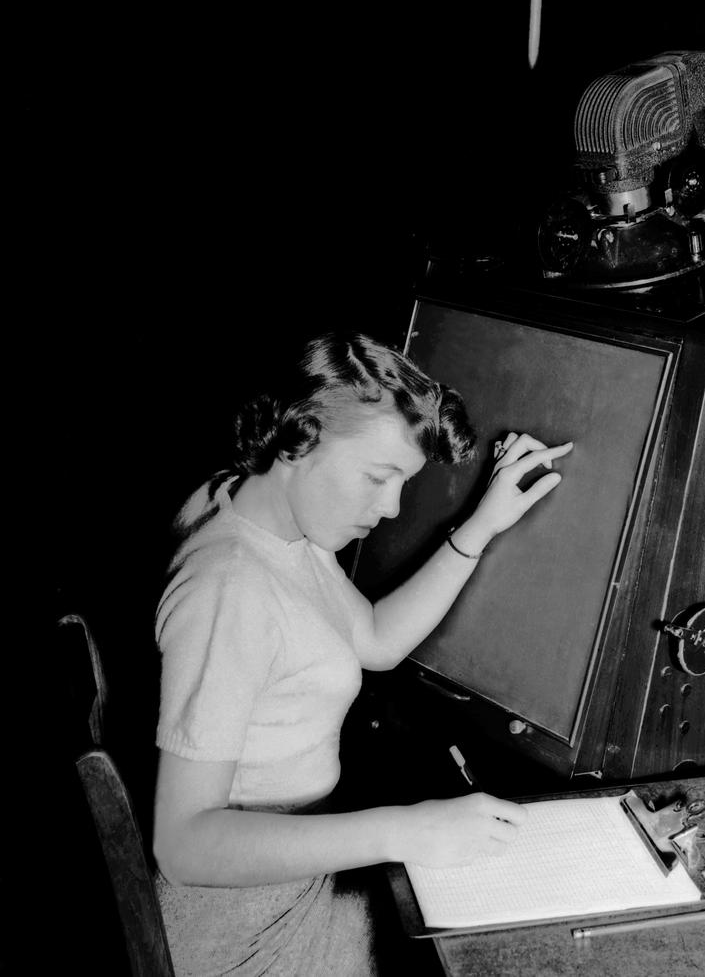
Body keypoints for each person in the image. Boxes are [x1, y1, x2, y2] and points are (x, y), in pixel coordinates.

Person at [151, 332, 572, 975]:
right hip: (250, 936)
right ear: (300, 441)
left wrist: (482, 525)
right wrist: (401, 829)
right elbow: (181, 846)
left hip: (292, 886)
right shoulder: (228, 591)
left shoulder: (267, 518)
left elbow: (372, 641)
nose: (392, 507)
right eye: (378, 478)